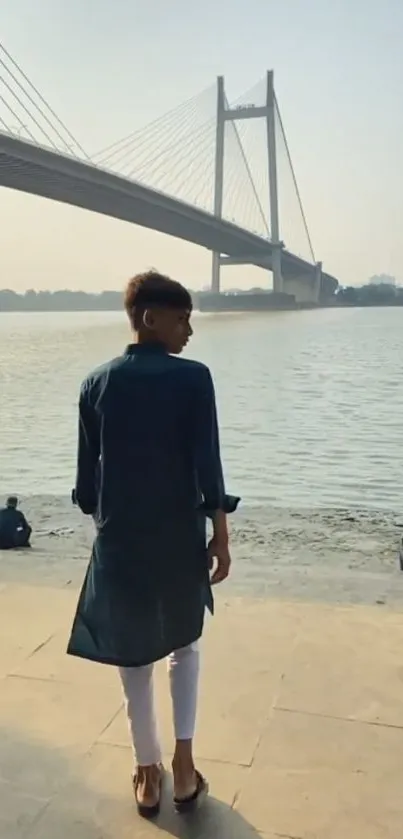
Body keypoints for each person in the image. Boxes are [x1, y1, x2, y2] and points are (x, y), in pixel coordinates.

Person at [67, 270, 239, 819]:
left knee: (132, 655)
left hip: (120, 540)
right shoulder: (194, 379)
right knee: (184, 645)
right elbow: (207, 464)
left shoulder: (95, 383)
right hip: (177, 536)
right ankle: (184, 771)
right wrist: (220, 533)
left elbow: (86, 488)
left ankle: (147, 773)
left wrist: (111, 521)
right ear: (150, 318)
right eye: (183, 318)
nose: (189, 330)